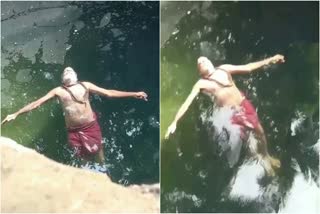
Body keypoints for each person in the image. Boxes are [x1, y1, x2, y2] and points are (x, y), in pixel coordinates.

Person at [165, 54, 285, 176]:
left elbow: (248, 67)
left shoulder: (224, 68)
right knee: (247, 139)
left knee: (260, 131)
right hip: (231, 114)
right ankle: (260, 160)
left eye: (205, 59)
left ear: (211, 62)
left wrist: (270, 60)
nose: (202, 61)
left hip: (243, 104)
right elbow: (187, 102)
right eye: (200, 63)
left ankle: (266, 155)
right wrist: (174, 122)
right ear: (200, 72)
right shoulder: (201, 84)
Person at [2, 67, 148, 164]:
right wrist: (16, 114)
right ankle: (85, 176)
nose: (68, 70)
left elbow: (109, 92)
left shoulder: (86, 85)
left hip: (90, 125)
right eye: (65, 71)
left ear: (76, 77)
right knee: (80, 156)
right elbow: (36, 103)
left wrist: (134, 94)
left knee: (98, 150)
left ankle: (104, 170)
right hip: (73, 131)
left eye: (70, 70)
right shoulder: (58, 91)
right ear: (62, 80)